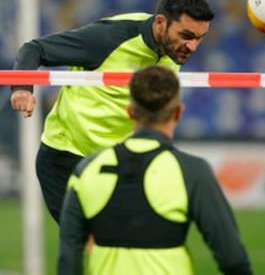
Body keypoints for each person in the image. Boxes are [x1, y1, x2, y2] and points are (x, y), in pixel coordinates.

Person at [10, 0, 214, 223]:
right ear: (160, 23)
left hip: (116, 164)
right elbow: (35, 49)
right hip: (66, 159)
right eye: (186, 36)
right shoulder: (109, 38)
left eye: (200, 38)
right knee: (93, 245)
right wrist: (22, 89)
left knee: (132, 244)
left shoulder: (172, 50)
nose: (192, 47)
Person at [57, 65, 253, 275]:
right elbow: (233, 259)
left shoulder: (87, 169)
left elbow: (68, 259)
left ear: (130, 111)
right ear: (178, 112)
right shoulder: (192, 172)